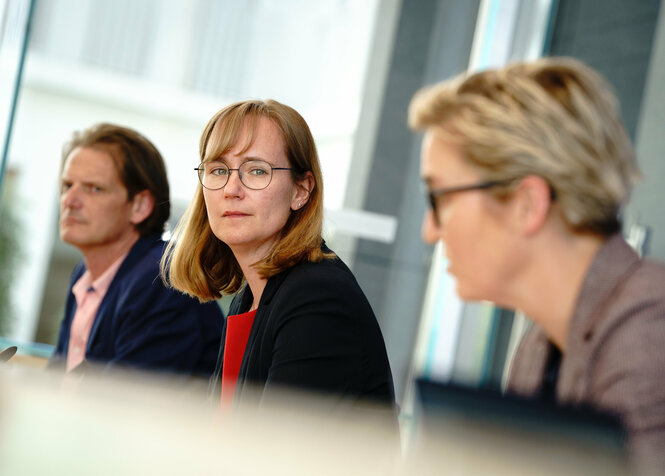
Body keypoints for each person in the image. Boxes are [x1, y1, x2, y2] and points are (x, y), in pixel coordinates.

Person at [409, 57, 665, 473]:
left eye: (440, 198)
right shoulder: (537, 350)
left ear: (527, 204)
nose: (430, 231)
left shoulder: (650, 329)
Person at [162, 99, 395, 412]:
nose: (231, 188)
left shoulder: (317, 298)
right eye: (218, 170)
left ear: (301, 191)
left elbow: (275, 455)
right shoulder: (250, 299)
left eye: (257, 170)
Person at [51, 123, 223, 377]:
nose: (70, 201)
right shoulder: (83, 274)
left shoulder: (164, 280)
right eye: (67, 186)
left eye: (94, 188)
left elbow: (122, 408)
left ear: (140, 206)